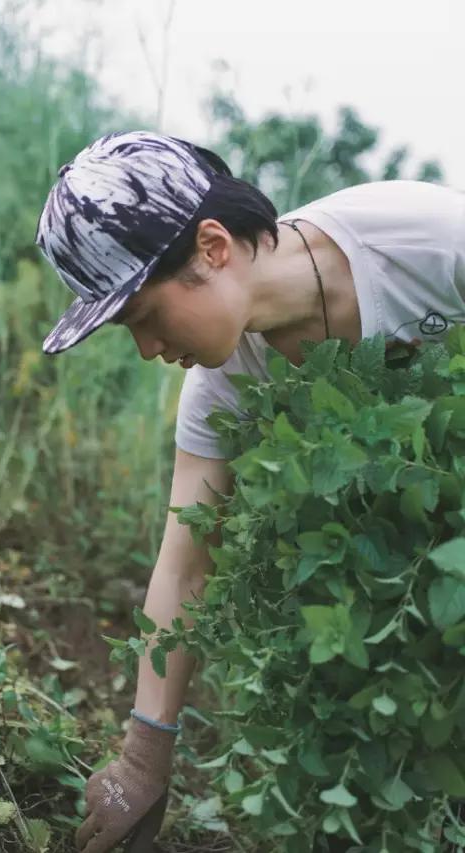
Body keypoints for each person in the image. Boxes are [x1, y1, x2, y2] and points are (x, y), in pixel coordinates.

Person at [35, 130, 465, 853]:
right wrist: (145, 757)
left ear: (212, 247)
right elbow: (185, 565)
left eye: (143, 316)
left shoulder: (431, 241)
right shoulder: (223, 384)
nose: (146, 349)